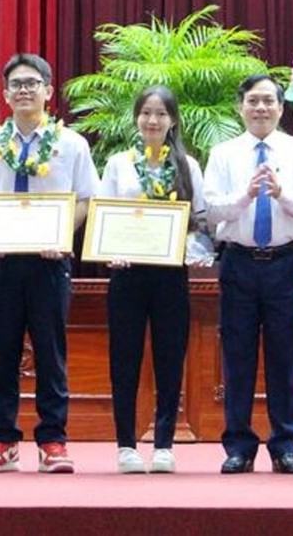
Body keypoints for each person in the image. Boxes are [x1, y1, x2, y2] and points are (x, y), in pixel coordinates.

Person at [0, 53, 99, 474]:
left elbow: (85, 200)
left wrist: (60, 237)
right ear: (4, 95)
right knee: (2, 352)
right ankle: (2, 439)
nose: (25, 90)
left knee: (50, 351)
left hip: (48, 263)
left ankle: (53, 440)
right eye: (16, 84)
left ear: (48, 91)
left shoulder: (70, 144)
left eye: (32, 83)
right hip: (1, 263)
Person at [203, 74, 293, 474]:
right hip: (238, 262)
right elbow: (213, 210)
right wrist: (246, 197)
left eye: (269, 101)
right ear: (241, 107)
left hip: (285, 262)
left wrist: (280, 193)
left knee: (285, 357)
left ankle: (286, 445)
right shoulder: (223, 153)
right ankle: (238, 446)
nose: (261, 108)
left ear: (281, 107)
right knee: (237, 357)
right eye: (253, 101)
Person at [100, 86, 206, 474]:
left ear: (173, 120)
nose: (153, 120)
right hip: (127, 275)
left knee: (169, 358)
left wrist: (191, 247)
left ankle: (163, 443)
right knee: (124, 360)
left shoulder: (187, 166)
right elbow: (103, 216)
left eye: (161, 113)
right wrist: (112, 249)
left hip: (170, 275)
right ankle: (126, 444)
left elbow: (200, 221)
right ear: (136, 118)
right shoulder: (118, 164)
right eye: (146, 113)